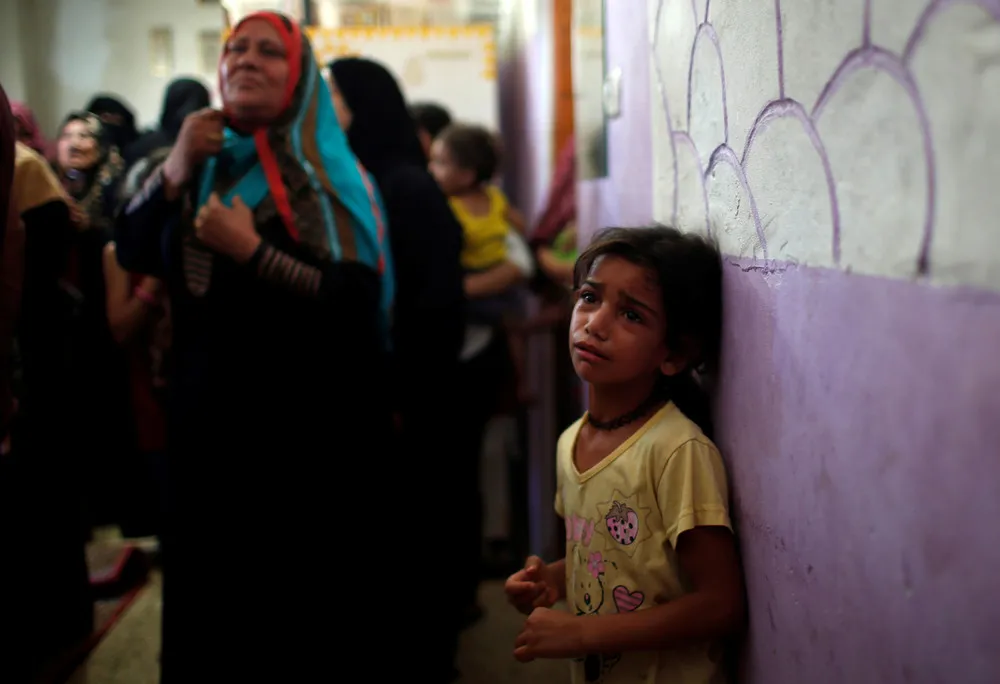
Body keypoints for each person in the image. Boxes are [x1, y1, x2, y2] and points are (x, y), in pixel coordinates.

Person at [114, 11, 394, 681]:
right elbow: (131, 249)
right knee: (207, 606)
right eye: (235, 48)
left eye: (269, 52)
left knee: (289, 612)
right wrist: (175, 166)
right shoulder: (199, 163)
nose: (245, 59)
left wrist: (251, 251)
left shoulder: (329, 174)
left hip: (299, 435)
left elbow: (354, 307)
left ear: (299, 77)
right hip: (204, 428)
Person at [504, 226, 745, 684]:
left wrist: (581, 634)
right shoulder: (571, 441)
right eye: (589, 297)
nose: (594, 324)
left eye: (631, 315)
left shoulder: (676, 451)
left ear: (673, 355)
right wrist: (553, 580)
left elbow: (721, 604)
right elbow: (612, 558)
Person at [328, 55, 466, 683]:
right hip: (392, 389)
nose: (325, 110)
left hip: (413, 392)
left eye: (335, 97)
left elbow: (434, 304)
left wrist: (401, 391)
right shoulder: (361, 178)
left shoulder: (402, 185)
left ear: (366, 106)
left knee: (416, 532)